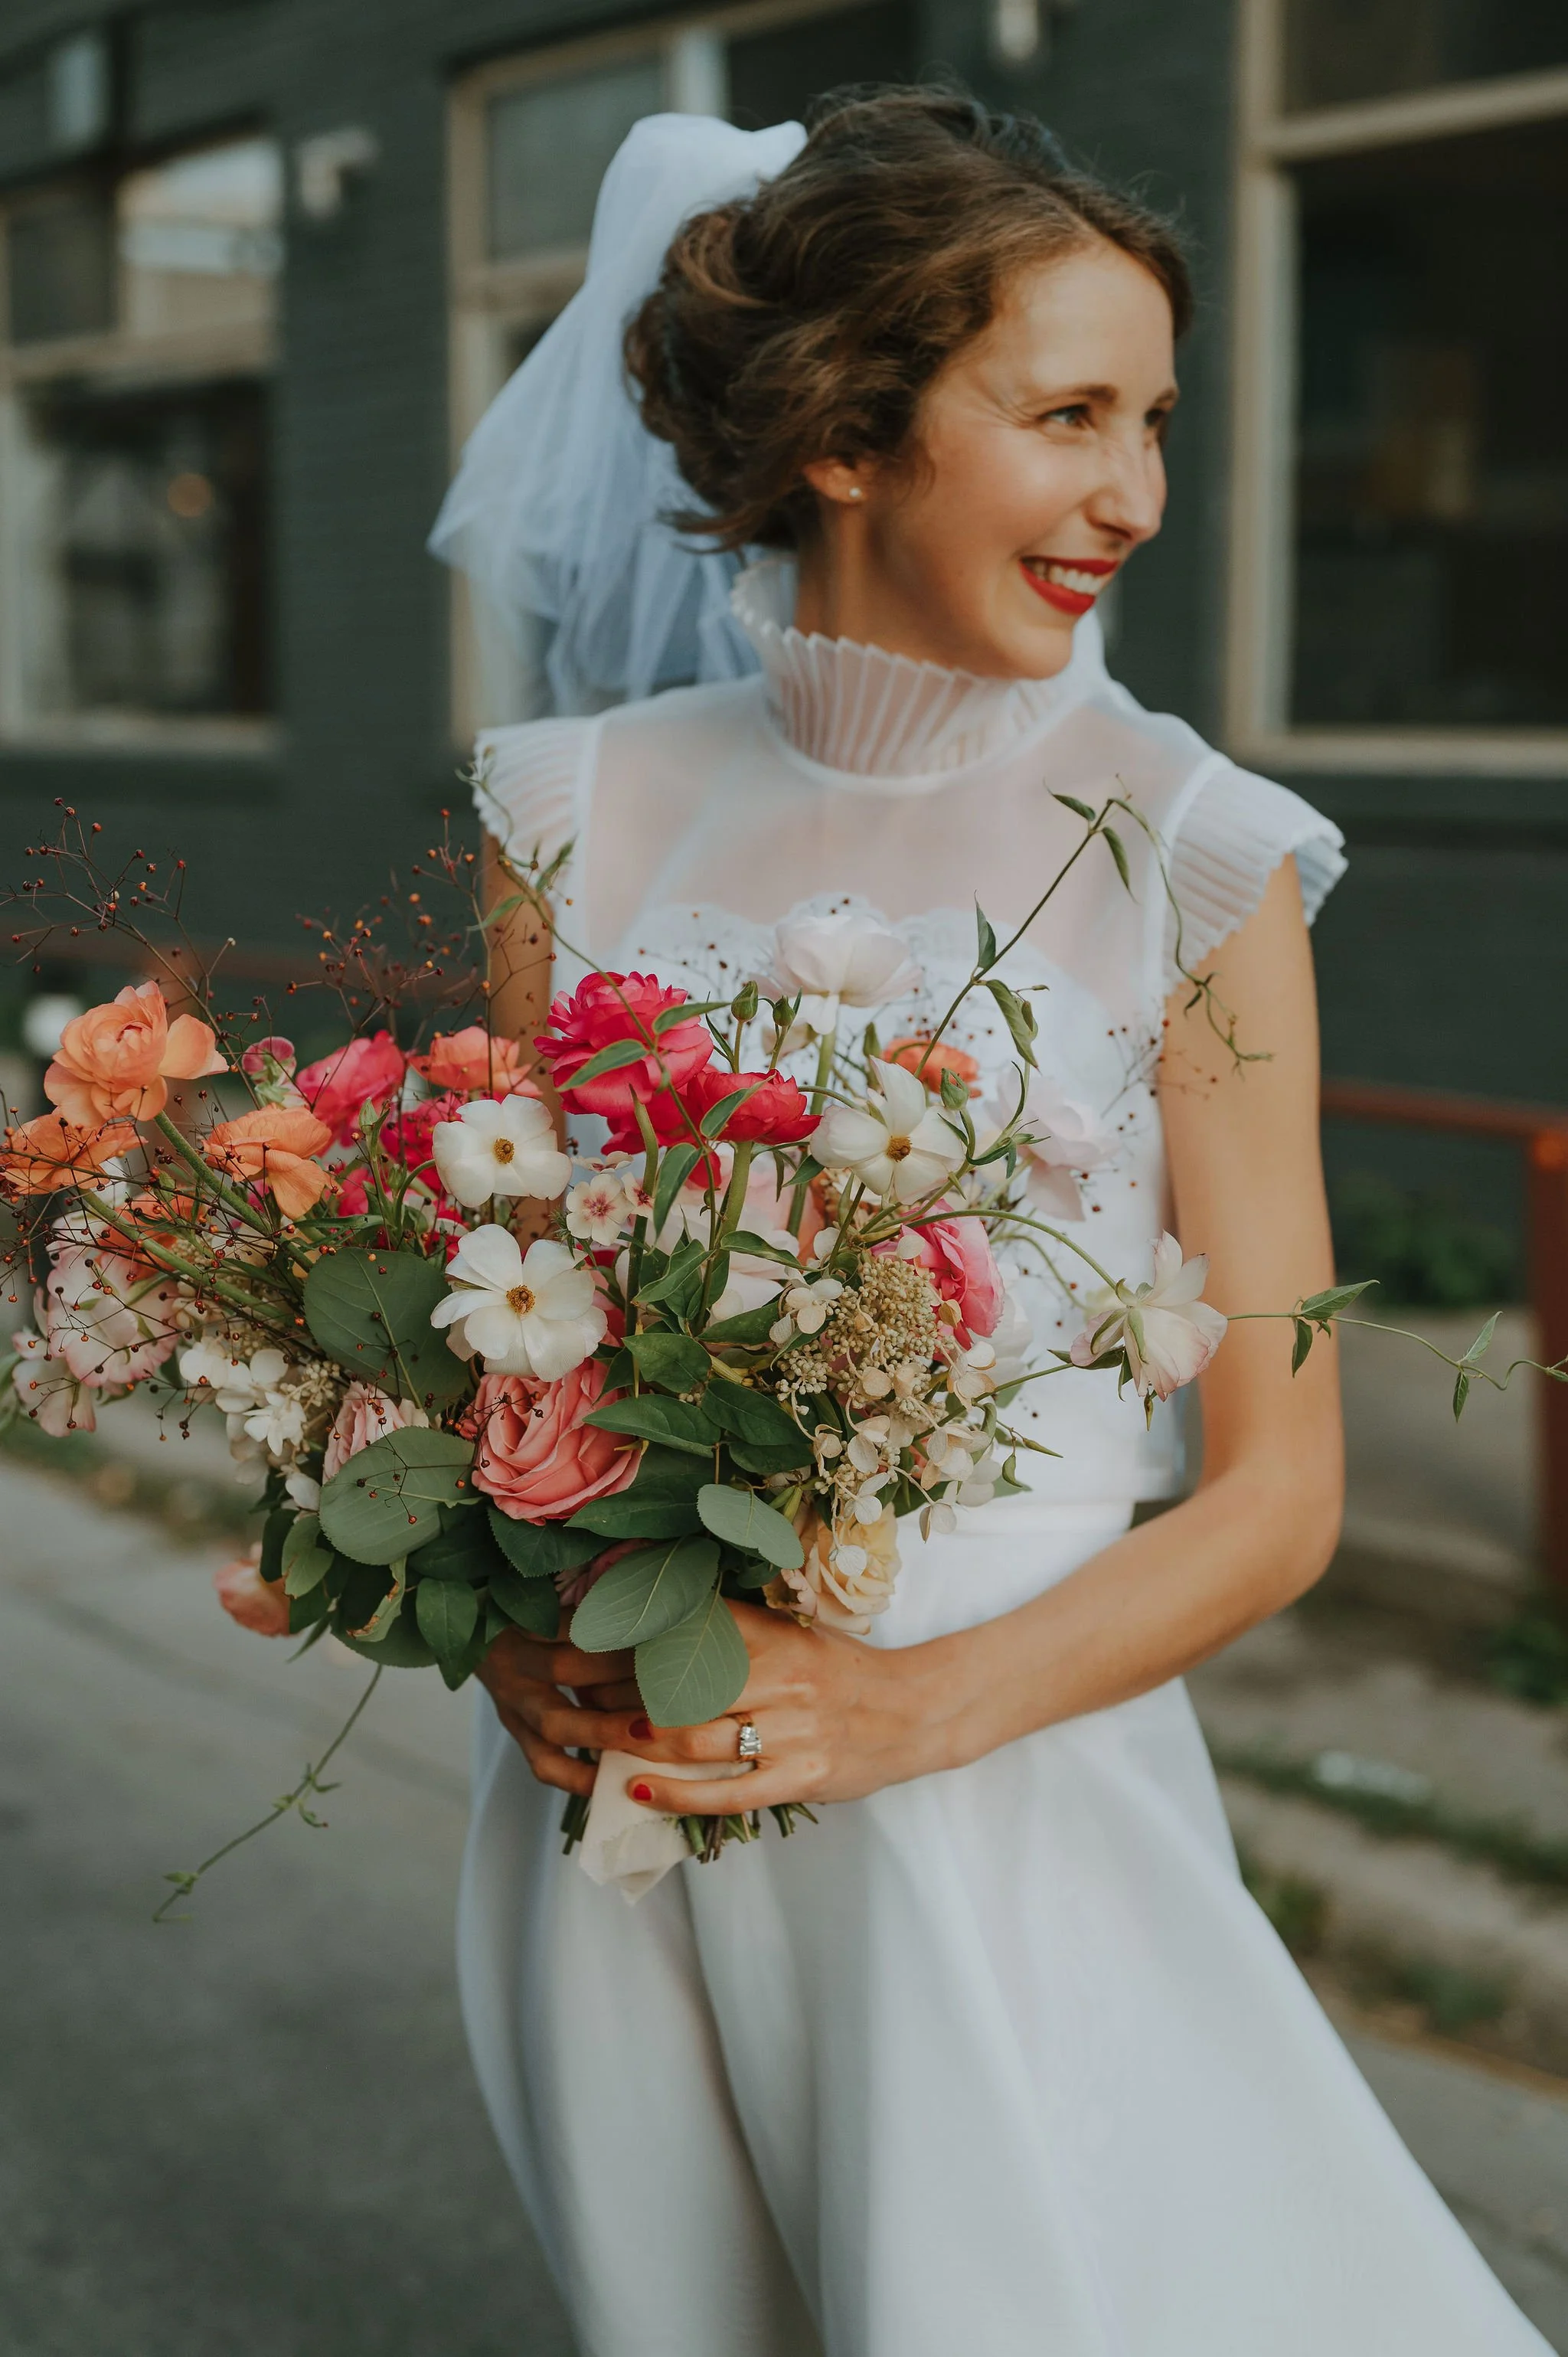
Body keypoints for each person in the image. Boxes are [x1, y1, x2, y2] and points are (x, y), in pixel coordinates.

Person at [431, 90, 1548, 2357]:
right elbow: (500, 1340)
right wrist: (505, 1635)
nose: (1136, 492)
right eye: (1065, 416)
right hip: (625, 1813)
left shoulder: (1200, 855)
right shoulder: (568, 810)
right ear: (847, 432)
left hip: (1005, 1811)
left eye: (1151, 417)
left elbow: (1283, 1492)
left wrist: (894, 1713)